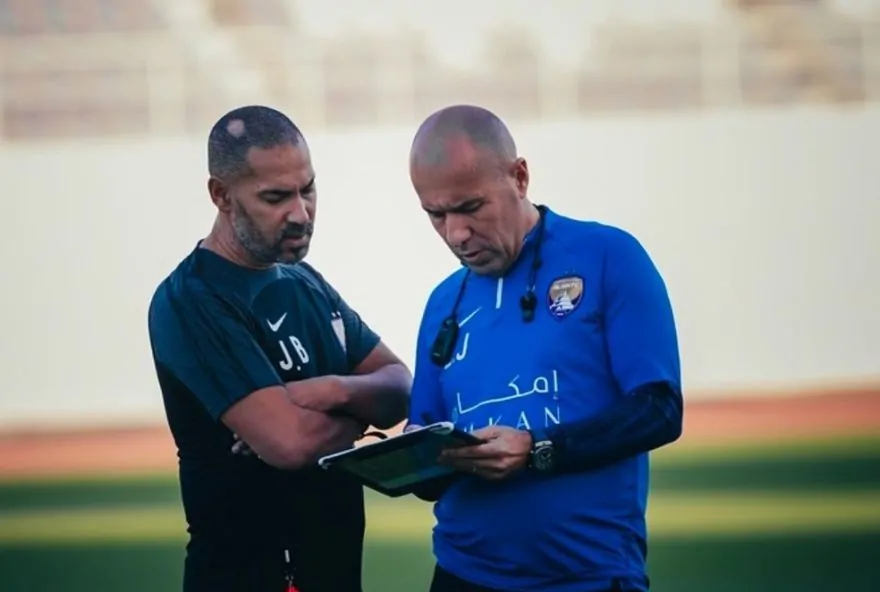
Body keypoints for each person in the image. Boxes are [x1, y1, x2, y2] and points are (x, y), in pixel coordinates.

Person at [404, 105, 684, 592]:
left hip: (588, 577)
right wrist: (411, 457)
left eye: (471, 207)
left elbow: (659, 410)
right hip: (460, 574)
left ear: (519, 177)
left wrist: (537, 449)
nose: (456, 233)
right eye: (437, 215)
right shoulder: (442, 303)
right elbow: (428, 464)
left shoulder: (607, 256)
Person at [147, 105, 411, 592]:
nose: (300, 213)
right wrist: (359, 414)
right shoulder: (192, 300)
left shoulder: (304, 281)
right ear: (221, 195)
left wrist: (329, 391)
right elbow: (291, 444)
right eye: (275, 197)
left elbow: (400, 388)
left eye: (307, 189)